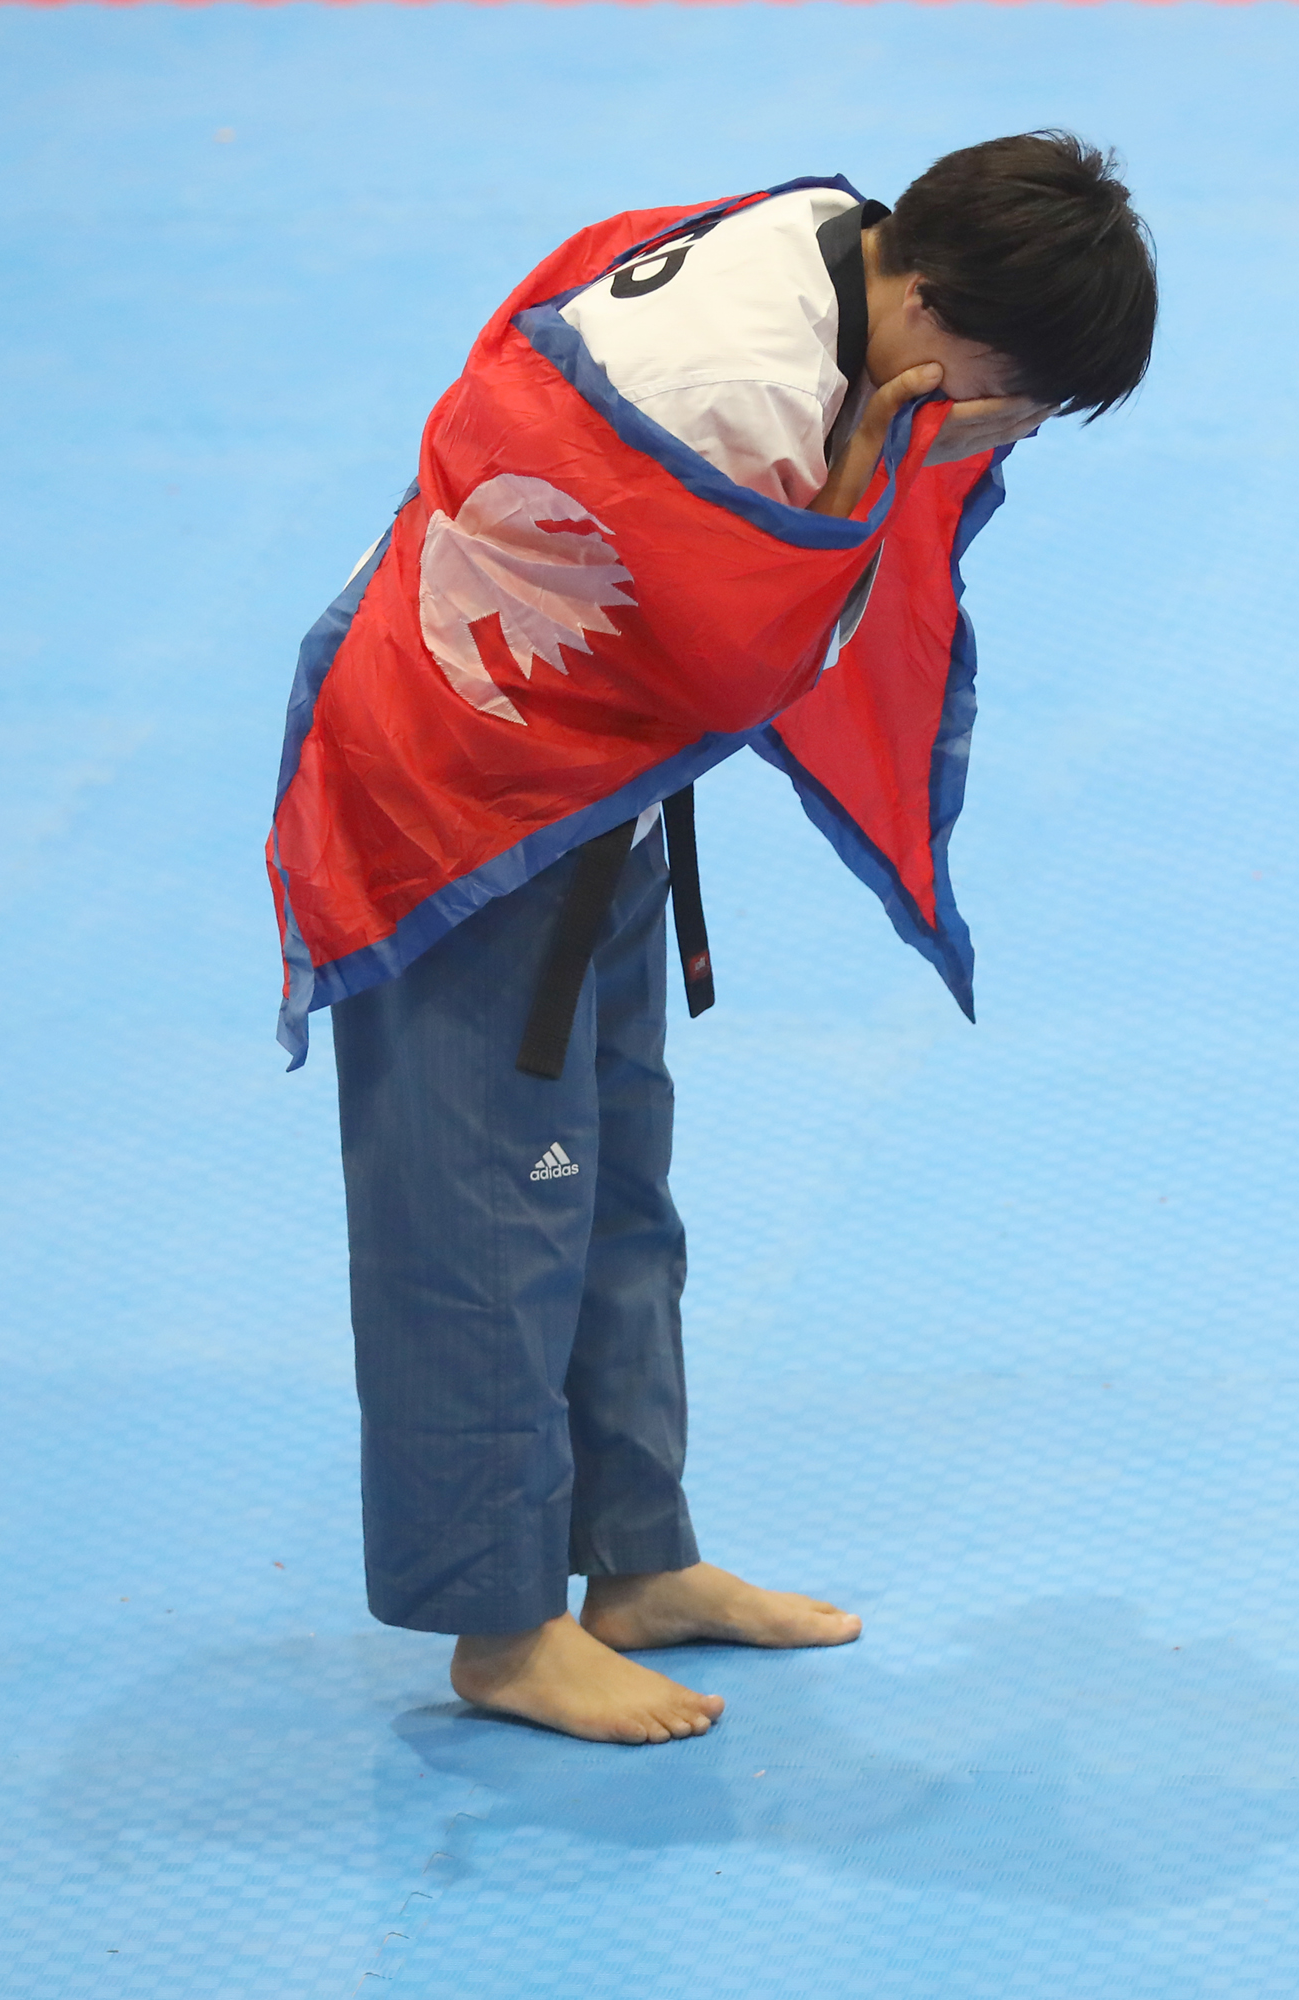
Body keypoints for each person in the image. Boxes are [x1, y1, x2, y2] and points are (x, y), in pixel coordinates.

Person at [266, 133, 1157, 1745]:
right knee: (487, 1215)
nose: (1006, 426)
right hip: (466, 797)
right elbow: (759, 661)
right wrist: (867, 476)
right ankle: (501, 1630)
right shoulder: (735, 395)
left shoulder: (830, 233)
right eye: (1010, 392)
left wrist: (883, 445)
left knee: (613, 1176)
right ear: (931, 303)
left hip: (586, 767)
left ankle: (635, 1560)